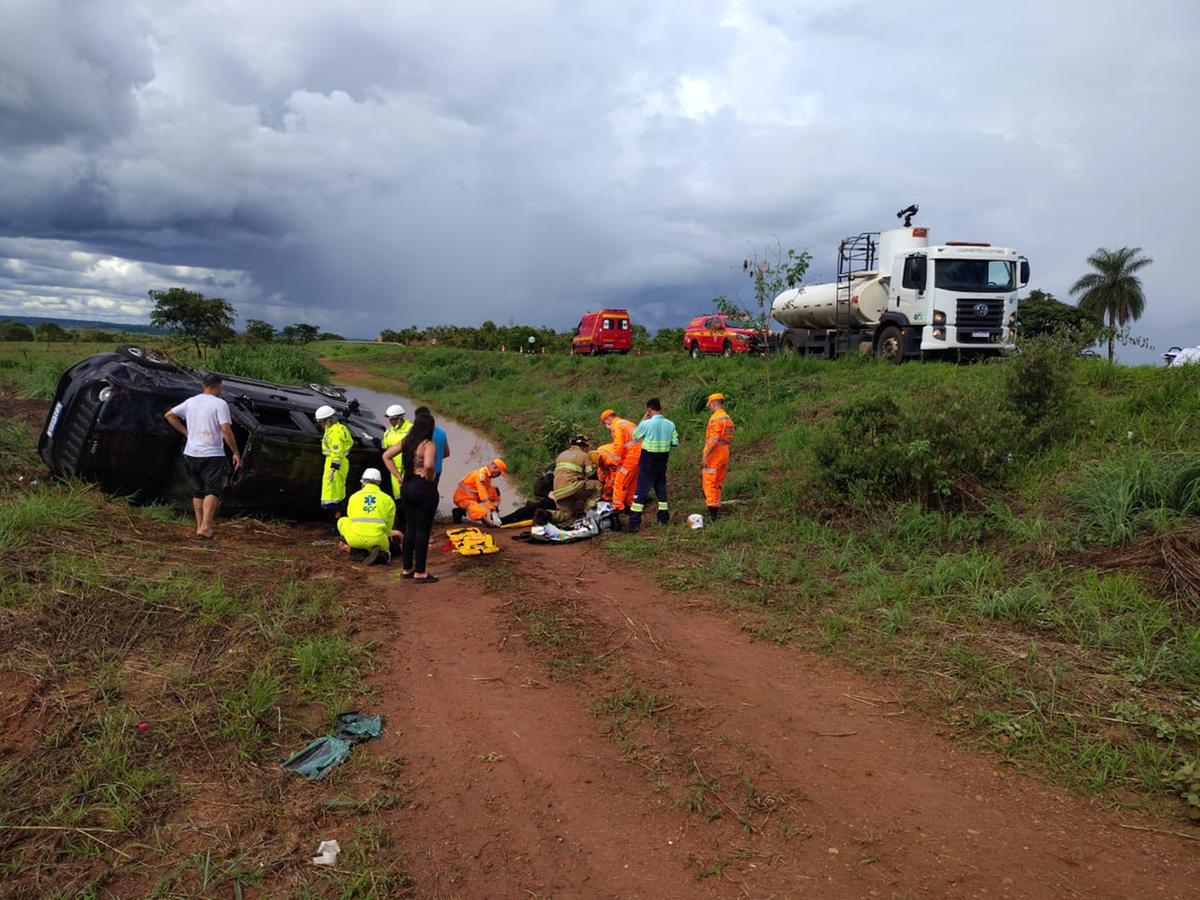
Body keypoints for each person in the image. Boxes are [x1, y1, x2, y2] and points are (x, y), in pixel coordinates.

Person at [164, 373, 241, 540]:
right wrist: (235, 452)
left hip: (191, 453)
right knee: (212, 490)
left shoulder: (191, 401)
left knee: (198, 491)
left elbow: (169, 415)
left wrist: (187, 434)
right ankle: (206, 527)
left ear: (203, 386)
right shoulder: (220, 404)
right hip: (212, 453)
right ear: (219, 386)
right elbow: (226, 429)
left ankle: (200, 527)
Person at [625, 397, 679, 533]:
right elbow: (675, 442)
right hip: (663, 459)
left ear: (649, 410)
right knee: (661, 489)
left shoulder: (646, 424)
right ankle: (663, 519)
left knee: (641, 491)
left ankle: (634, 523)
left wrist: (644, 418)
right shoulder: (670, 424)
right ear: (661, 409)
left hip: (648, 459)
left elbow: (635, 435)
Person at [399, 409, 440, 583]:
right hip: (423, 488)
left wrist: (398, 476)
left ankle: (406, 568)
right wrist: (429, 478)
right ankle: (421, 572)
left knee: (410, 528)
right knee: (422, 529)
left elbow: (386, 456)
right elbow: (429, 465)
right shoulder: (428, 444)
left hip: (407, 485)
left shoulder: (407, 442)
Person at [337, 468, 401, 565]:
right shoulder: (387, 499)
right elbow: (389, 527)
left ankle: (357, 551)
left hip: (355, 539)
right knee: (387, 552)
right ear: (379, 483)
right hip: (378, 540)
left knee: (342, 520)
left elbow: (350, 518)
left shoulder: (354, 497)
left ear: (363, 482)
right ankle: (381, 555)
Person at [538, 434, 600, 525]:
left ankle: (545, 514)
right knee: (597, 485)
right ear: (584, 446)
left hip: (558, 491)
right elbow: (591, 474)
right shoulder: (584, 455)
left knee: (565, 515)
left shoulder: (561, 455)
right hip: (571, 487)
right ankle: (587, 513)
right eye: (587, 447)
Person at [600, 408, 641, 530]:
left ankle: (617, 509)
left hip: (631, 457)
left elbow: (618, 445)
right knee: (632, 483)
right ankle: (630, 505)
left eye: (604, 423)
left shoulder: (616, 426)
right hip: (640, 456)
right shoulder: (627, 423)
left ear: (607, 419)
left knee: (620, 482)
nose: (606, 425)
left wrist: (617, 462)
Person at [316, 405, 353, 520]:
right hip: (340, 463)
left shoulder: (335, 433)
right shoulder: (339, 428)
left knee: (333, 496)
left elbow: (337, 452)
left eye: (321, 422)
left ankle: (337, 520)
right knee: (338, 493)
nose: (320, 425)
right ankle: (338, 518)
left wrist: (333, 469)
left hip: (335, 465)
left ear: (328, 420)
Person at [701, 392, 735, 520]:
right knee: (717, 483)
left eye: (710, 405)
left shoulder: (715, 418)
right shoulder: (727, 418)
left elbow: (713, 439)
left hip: (714, 454)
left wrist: (705, 455)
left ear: (714, 403)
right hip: (725, 452)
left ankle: (712, 515)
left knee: (709, 482)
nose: (709, 408)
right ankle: (714, 510)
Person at [452, 459, 507, 526]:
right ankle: (489, 523)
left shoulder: (487, 475)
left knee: (495, 492)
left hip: (473, 496)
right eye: (499, 473)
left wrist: (494, 510)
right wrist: (492, 510)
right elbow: (483, 495)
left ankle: (494, 516)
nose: (498, 475)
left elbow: (486, 491)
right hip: (463, 498)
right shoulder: (481, 476)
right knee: (480, 512)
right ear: (495, 468)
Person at [380, 404, 411, 498]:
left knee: (410, 497)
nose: (390, 421)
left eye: (393, 419)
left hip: (409, 470)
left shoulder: (411, 429)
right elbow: (384, 448)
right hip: (394, 471)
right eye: (389, 419)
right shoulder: (388, 433)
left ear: (400, 418)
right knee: (398, 498)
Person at [415, 405, 451, 484]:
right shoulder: (442, 432)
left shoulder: (422, 435)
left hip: (425, 472)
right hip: (438, 471)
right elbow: (447, 453)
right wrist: (437, 458)